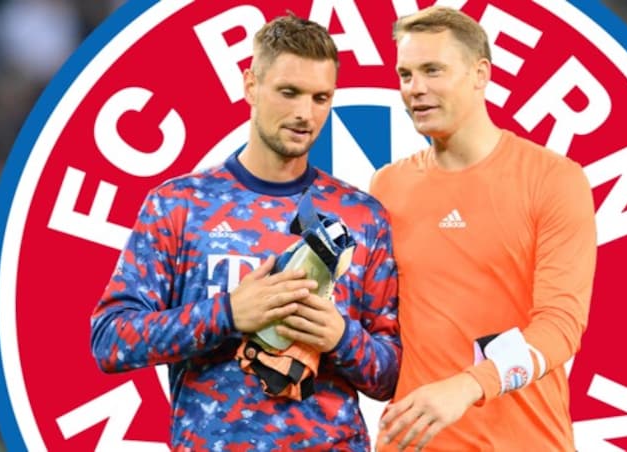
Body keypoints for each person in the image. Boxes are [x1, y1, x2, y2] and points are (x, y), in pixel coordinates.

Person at [90, 13, 400, 451]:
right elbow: (111, 340)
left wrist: (340, 337)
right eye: (289, 92)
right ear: (251, 84)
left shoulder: (364, 217)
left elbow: (391, 375)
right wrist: (229, 313)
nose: (304, 114)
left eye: (320, 97)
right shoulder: (179, 206)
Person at [370, 6, 597, 451]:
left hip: (525, 441)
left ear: (480, 74)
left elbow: (560, 326)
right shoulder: (387, 186)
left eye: (433, 70)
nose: (416, 89)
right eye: (406, 74)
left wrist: (469, 386)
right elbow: (375, 321)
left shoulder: (553, 179)